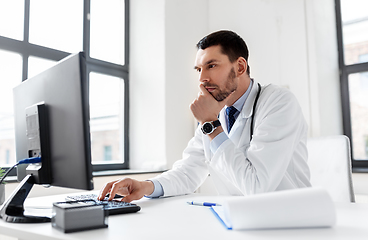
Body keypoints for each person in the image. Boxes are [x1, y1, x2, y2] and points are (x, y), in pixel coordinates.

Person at [98, 30, 311, 203]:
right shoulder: (215, 112)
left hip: (290, 223)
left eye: (211, 66)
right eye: (198, 69)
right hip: (240, 220)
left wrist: (211, 124)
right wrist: (147, 186)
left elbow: (257, 187)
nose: (202, 79)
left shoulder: (278, 102)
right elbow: (189, 170)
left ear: (239, 66)